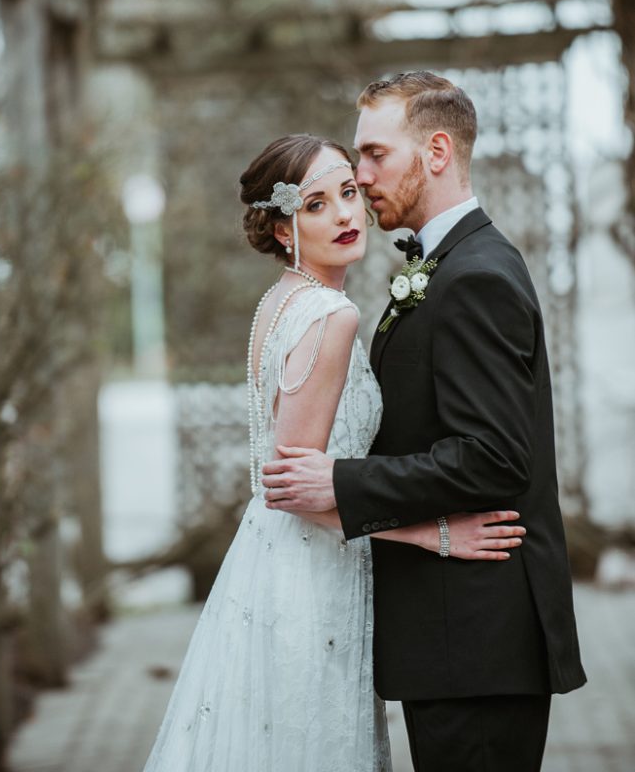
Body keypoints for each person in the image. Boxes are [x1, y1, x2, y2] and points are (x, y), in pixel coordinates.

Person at [142, 132, 527, 772]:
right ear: (284, 229)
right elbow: (296, 491)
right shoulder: (331, 315)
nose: (347, 214)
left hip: (274, 560)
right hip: (310, 575)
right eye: (317, 204)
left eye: (349, 192)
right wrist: (432, 534)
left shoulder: (279, 303)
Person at [263, 73, 587, 772]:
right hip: (454, 640)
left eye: (375, 154)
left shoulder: (474, 276)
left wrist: (341, 482)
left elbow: (495, 457)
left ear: (436, 151)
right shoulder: (442, 268)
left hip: (476, 640)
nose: (361, 174)